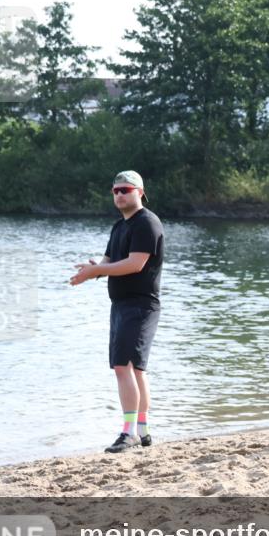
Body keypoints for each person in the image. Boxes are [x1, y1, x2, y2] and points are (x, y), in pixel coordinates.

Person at [70, 171, 164, 453]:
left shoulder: (147, 222)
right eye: (115, 191)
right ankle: (143, 431)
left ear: (140, 191)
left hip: (141, 304)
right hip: (122, 305)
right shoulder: (119, 226)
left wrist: (98, 270)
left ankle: (129, 432)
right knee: (134, 368)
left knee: (123, 366)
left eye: (125, 189)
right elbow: (110, 259)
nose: (120, 195)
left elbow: (135, 264)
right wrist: (93, 269)